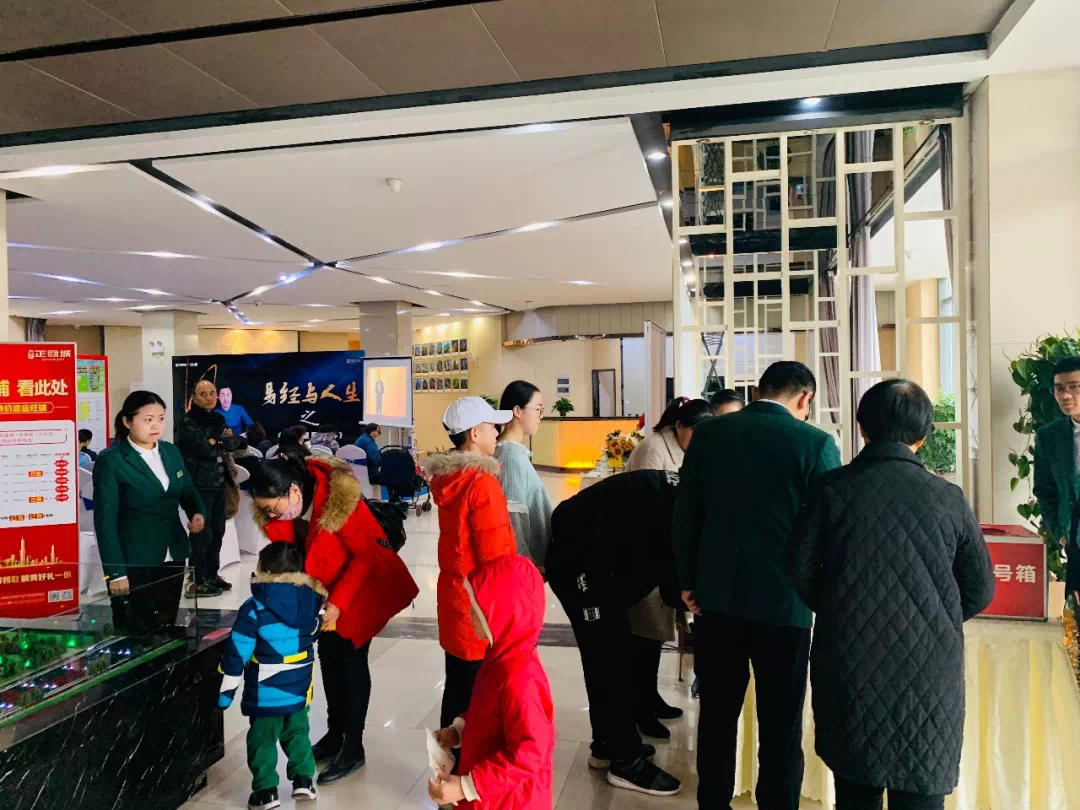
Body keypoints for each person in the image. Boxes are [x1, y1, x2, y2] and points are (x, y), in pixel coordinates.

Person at [788, 379, 995, 810]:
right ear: (924, 434)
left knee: (854, 786)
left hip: (848, 659)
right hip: (929, 668)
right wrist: (934, 615)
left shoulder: (829, 490)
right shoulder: (948, 498)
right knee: (922, 785)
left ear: (862, 428)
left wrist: (841, 608)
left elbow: (800, 570)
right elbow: (980, 587)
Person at [673, 360, 841, 810]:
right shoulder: (816, 444)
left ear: (758, 391)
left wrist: (688, 581)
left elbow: (685, 515)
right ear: (805, 398)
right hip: (786, 607)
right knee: (781, 724)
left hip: (716, 600)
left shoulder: (709, 435)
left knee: (717, 715)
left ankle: (713, 803)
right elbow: (828, 529)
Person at [250, 451, 418, 785]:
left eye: (273, 508)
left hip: (362, 587)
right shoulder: (286, 508)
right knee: (328, 658)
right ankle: (334, 734)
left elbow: (365, 556)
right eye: (265, 509)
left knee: (350, 662)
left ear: (294, 491)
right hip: (326, 591)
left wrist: (339, 603)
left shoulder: (339, 499)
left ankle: (353, 746)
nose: (271, 515)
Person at [547, 470, 683, 796]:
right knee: (611, 660)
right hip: (582, 568)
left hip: (599, 562)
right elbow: (673, 582)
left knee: (608, 656)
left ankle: (608, 744)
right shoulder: (683, 505)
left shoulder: (686, 490)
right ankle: (626, 762)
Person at [428, 555, 555, 810]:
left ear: (501, 615)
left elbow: (529, 752)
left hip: (510, 800)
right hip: (493, 792)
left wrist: (465, 787)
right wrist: (459, 731)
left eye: (476, 610)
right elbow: (488, 715)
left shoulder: (518, 679)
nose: (469, 614)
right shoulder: (499, 658)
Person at [423, 397, 516, 731]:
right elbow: (495, 558)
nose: (497, 432)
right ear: (475, 433)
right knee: (476, 695)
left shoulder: (450, 480)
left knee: (458, 687)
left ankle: (447, 756)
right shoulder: (481, 482)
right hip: (480, 606)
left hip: (456, 597)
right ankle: (466, 759)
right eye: (492, 426)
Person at [624, 397, 712, 740]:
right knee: (644, 637)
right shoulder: (652, 449)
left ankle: (650, 698)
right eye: (696, 432)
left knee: (656, 635)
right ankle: (639, 708)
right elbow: (645, 506)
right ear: (678, 426)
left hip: (664, 556)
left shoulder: (683, 448)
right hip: (643, 555)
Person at [218, 542, 325, 810]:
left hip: (265, 692)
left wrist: (225, 694)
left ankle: (266, 792)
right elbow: (313, 633)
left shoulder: (253, 609)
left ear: (263, 570)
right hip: (299, 688)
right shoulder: (310, 602)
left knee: (262, 740)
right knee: (298, 732)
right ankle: (304, 781)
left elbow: (237, 653)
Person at [93, 391, 206, 634]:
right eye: (148, 420)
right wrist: (115, 573)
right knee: (136, 628)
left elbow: (187, 490)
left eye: (161, 418)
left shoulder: (170, 452)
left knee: (166, 623)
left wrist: (197, 512)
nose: (156, 425)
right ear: (127, 421)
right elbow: (105, 522)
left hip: (172, 553)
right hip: (135, 557)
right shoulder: (112, 460)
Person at [177, 379, 238, 598]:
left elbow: (235, 442)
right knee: (202, 534)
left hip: (219, 485)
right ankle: (197, 580)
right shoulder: (188, 422)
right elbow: (206, 451)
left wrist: (217, 441)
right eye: (203, 394)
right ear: (194, 398)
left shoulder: (218, 418)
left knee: (218, 532)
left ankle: (212, 574)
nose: (209, 397)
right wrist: (220, 442)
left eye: (212, 393)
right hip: (199, 486)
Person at [1034, 356, 1080, 621]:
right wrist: (1059, 532)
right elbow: (1045, 490)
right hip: (1074, 538)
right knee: (1075, 616)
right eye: (1059, 389)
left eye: (1074, 386)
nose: (1066, 395)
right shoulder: (1049, 436)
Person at [494, 381, 553, 567]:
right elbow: (514, 520)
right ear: (517, 411)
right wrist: (524, 567)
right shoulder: (511, 456)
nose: (540, 416)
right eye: (537, 409)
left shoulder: (512, 451)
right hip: (526, 566)